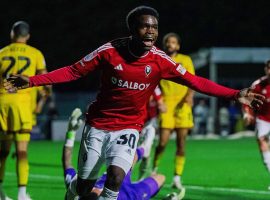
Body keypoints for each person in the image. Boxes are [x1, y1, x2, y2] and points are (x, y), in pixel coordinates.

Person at [3, 6, 264, 200]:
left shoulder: (161, 60)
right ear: (133, 29)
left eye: (154, 27)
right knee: (84, 186)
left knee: (116, 177)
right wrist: (33, 81)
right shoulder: (108, 52)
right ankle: (72, 190)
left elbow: (195, 82)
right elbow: (73, 71)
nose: (151, 31)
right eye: (145, 26)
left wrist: (234, 94)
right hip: (98, 125)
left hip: (128, 128)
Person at [63, 108, 167, 200]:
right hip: (131, 193)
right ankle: (144, 148)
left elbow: (67, 163)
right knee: (160, 178)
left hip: (112, 177)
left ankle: (144, 149)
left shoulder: (80, 187)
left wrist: (70, 133)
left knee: (129, 159)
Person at [0, 21, 48, 200]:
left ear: (12, 34)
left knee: (3, 152)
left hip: (3, 103)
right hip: (22, 105)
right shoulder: (35, 53)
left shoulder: (2, 53)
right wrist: (42, 100)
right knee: (21, 151)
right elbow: (46, 82)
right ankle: (21, 194)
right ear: (27, 36)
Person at [153, 32, 195, 190]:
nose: (170, 44)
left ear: (178, 45)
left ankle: (177, 177)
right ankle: (154, 168)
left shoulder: (186, 60)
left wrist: (190, 96)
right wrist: (158, 101)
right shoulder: (159, 60)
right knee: (162, 142)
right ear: (165, 45)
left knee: (181, 143)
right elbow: (153, 82)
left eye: (173, 42)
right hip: (166, 104)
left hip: (182, 106)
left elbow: (193, 81)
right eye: (168, 42)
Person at [242, 60, 270, 189]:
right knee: (262, 143)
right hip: (263, 119)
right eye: (268, 68)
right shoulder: (258, 85)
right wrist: (247, 113)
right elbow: (246, 99)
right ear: (265, 69)